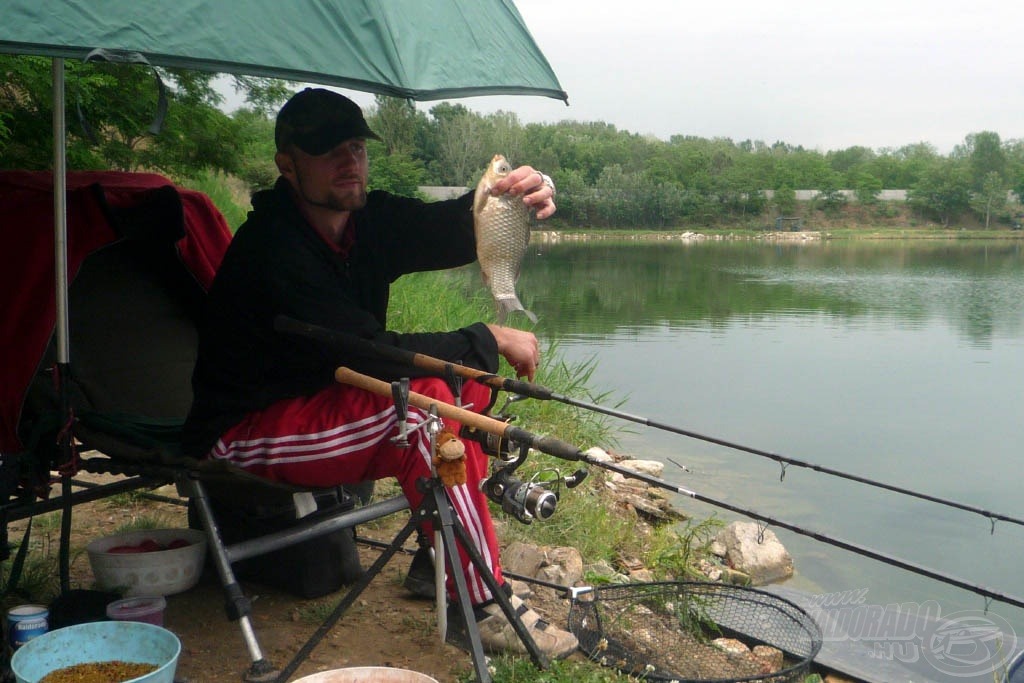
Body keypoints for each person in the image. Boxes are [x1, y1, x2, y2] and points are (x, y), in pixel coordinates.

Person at [182, 88, 577, 658]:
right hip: (246, 429)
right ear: (287, 165)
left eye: (356, 147)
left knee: (457, 394)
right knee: (425, 413)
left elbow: (449, 225)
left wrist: (508, 196)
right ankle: (479, 604)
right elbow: (368, 353)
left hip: (327, 404)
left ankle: (435, 561)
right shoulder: (272, 249)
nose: (349, 162)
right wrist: (484, 339)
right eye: (327, 151)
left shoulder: (366, 220)